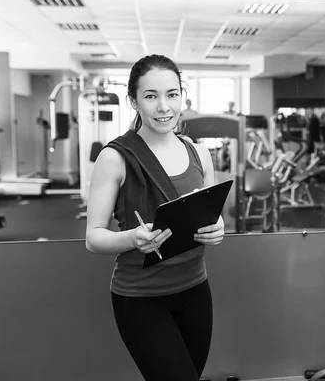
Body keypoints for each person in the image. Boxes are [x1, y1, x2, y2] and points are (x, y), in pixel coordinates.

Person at [85, 54, 225, 381]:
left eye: (172, 94)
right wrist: (132, 238)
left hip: (195, 290)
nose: (164, 106)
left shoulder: (198, 153)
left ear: (182, 96)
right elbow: (93, 237)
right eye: (151, 96)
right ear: (133, 100)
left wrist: (217, 229)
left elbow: (211, 216)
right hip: (140, 298)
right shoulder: (115, 157)